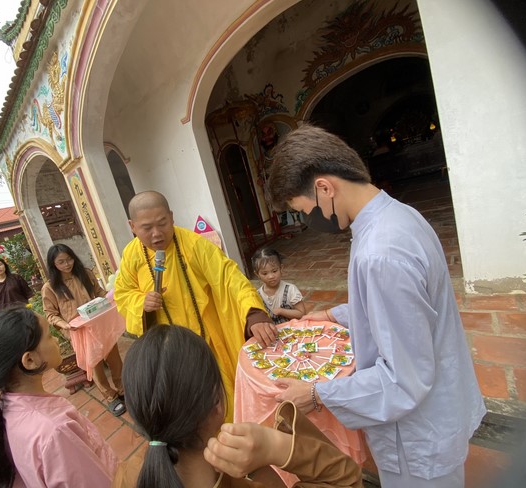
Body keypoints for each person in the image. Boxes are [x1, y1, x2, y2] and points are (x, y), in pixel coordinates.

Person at [266, 124, 486, 487]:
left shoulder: (380, 253)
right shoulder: (397, 216)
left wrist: (317, 393)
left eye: (303, 210)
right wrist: (332, 314)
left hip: (418, 438)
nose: (308, 221)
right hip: (441, 407)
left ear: (324, 188)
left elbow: (402, 380)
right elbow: (402, 311)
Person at [112, 325, 362, 487]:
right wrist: (276, 447)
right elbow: (347, 480)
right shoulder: (247, 479)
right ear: (217, 403)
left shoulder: (127, 475)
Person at [114, 191, 276, 420]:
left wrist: (254, 313)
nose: (157, 234)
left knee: (224, 400)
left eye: (162, 223)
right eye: (146, 228)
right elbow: (123, 293)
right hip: (169, 350)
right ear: (132, 226)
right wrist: (142, 303)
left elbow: (228, 276)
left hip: (206, 341)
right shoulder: (131, 255)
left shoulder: (194, 245)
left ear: (171, 216)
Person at [0, 307, 118, 487]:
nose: (56, 339)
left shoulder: (4, 409)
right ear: (30, 360)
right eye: (49, 336)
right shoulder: (54, 431)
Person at [42, 244, 126, 417]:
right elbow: (50, 314)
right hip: (79, 332)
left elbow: (99, 292)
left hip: (99, 324)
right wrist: (64, 324)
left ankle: (123, 388)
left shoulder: (85, 274)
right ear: (53, 264)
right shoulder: (50, 287)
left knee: (114, 357)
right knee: (94, 364)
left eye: (69, 259)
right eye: (61, 262)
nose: (67, 264)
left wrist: (111, 296)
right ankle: (110, 396)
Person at [251, 247, 305, 324]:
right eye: (265, 273)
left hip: (292, 329)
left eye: (274, 271)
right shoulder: (258, 295)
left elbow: (301, 314)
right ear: (257, 274)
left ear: (281, 268)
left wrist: (282, 311)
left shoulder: (290, 289)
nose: (271, 276)